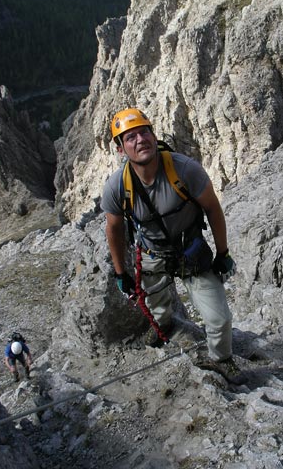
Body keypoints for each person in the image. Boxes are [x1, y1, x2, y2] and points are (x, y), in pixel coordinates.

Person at [101, 108, 245, 384]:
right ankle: (163, 326)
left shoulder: (184, 170)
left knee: (219, 319)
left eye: (144, 132)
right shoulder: (118, 186)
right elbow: (114, 229)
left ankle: (222, 359)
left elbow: (213, 209)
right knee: (157, 305)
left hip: (191, 251)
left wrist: (223, 253)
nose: (140, 139)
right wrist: (121, 273)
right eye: (130, 137)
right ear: (121, 149)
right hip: (152, 254)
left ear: (154, 136)